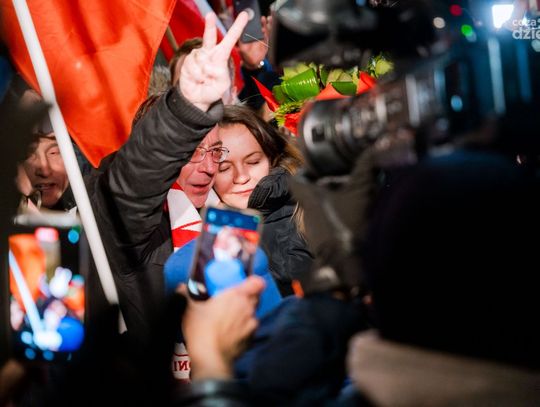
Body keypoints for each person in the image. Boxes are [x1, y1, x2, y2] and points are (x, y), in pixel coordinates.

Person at [84, 11, 257, 353]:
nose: (208, 167)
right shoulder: (133, 230)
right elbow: (135, 183)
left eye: (215, 152)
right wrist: (186, 110)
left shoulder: (229, 219)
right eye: (192, 153)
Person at [214, 104, 313, 295]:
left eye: (253, 162)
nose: (241, 177)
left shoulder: (306, 206)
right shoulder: (202, 225)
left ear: (272, 158)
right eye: (224, 168)